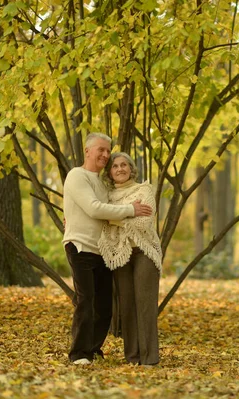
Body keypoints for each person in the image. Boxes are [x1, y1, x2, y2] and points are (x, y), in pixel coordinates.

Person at [62, 133, 152, 365]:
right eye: (100, 150)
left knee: (104, 306)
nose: (104, 154)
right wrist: (131, 210)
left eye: (107, 151)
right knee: (86, 300)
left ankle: (93, 349)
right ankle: (79, 353)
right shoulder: (77, 175)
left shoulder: (103, 184)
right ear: (87, 151)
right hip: (80, 246)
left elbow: (105, 211)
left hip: (102, 250)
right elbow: (94, 209)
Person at [98, 152, 162, 366]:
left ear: (131, 168)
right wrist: (128, 212)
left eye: (124, 165)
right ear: (110, 172)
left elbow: (143, 223)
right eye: (115, 166)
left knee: (145, 304)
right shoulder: (106, 196)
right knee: (126, 304)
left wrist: (114, 218)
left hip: (144, 251)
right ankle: (133, 357)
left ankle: (150, 358)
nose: (120, 169)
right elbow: (99, 216)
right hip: (120, 252)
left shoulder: (144, 189)